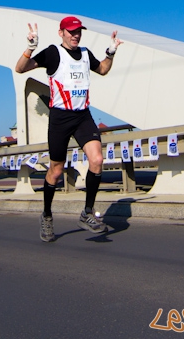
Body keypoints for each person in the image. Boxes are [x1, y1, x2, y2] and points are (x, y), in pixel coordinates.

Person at [15, 17, 123, 242]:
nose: (76, 35)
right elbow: (20, 68)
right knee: (55, 170)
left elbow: (102, 69)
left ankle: (87, 213)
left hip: (82, 116)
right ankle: (46, 215)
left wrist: (111, 52)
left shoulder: (84, 54)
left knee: (97, 160)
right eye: (71, 31)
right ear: (61, 32)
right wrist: (31, 48)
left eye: (78, 32)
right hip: (60, 118)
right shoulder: (53, 53)